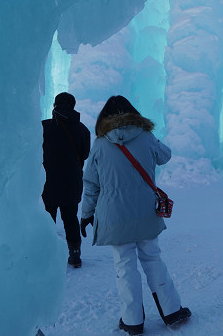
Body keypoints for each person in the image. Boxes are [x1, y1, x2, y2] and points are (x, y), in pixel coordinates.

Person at [79, 95, 191, 335]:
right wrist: (148, 137)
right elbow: (165, 155)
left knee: (124, 267)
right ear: (133, 112)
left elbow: (91, 185)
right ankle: (172, 311)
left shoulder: (100, 144)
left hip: (114, 216)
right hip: (145, 212)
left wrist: (86, 214)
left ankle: (132, 322)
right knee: (153, 259)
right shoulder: (146, 136)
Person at [41, 92, 91, 268]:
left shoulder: (44, 127)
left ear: (55, 105)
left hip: (48, 182)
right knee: (70, 218)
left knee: (47, 218)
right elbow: (84, 154)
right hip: (72, 181)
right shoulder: (83, 129)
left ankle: (46, 255)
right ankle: (75, 254)